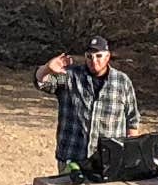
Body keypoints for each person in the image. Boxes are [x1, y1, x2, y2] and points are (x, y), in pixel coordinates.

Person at [36, 36, 140, 176]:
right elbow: (41, 82)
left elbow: (132, 121)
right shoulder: (70, 76)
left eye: (99, 56)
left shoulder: (122, 81)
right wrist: (47, 68)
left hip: (108, 162)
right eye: (89, 56)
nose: (94, 61)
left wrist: (131, 157)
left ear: (108, 56)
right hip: (72, 158)